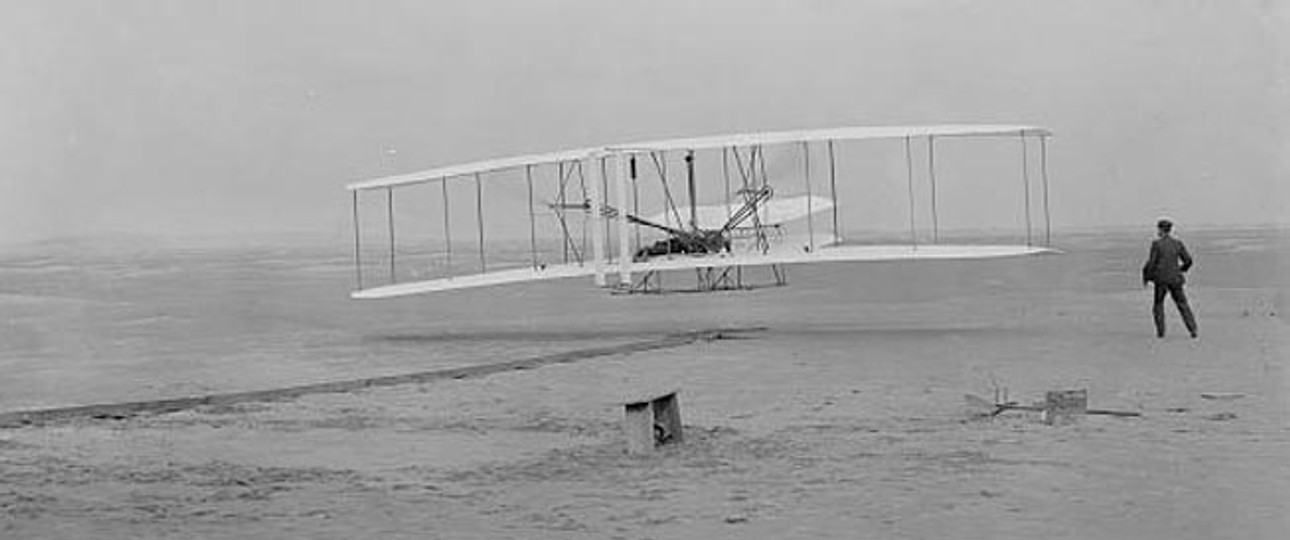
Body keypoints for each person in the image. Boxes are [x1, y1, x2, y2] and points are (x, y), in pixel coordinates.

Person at [1142, 218, 1198, 338]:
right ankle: (1193, 329)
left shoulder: (1156, 244)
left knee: (1158, 305)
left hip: (1161, 279)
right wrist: (1181, 269)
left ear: (1161, 230)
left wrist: (1147, 276)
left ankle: (1161, 332)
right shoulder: (1178, 244)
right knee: (1183, 304)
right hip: (1176, 278)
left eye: (1158, 229)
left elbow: (1152, 263)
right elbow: (1188, 260)